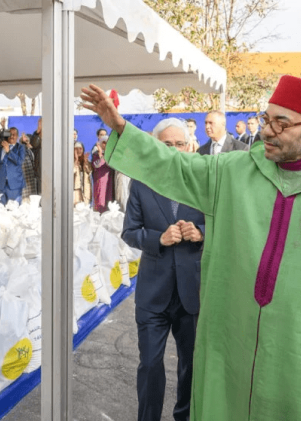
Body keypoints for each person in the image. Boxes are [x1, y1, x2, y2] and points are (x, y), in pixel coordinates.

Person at [81, 77, 301, 420]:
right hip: (232, 358)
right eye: (267, 119)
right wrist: (120, 126)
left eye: (282, 123)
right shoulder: (232, 172)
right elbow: (173, 166)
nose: (267, 131)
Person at [122, 118, 204, 421]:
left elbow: (223, 221)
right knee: (150, 365)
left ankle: (184, 416)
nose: (173, 149)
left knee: (191, 365)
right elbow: (129, 232)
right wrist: (159, 238)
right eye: (166, 144)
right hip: (153, 293)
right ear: (157, 146)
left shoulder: (200, 181)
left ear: (189, 146)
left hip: (191, 293)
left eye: (179, 144)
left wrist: (202, 232)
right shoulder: (142, 183)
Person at [0, 127, 26, 205]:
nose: (12, 136)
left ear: (17, 136)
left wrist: (9, 151)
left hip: (14, 185)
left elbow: (19, 162)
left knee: (14, 211)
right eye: (10, 134)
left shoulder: (20, 147)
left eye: (14, 135)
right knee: (0, 210)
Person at [92, 132, 115, 213]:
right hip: (100, 179)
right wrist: (100, 154)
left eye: (107, 142)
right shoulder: (96, 154)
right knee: (100, 199)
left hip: (110, 180)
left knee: (109, 200)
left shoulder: (111, 154)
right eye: (104, 142)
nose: (105, 144)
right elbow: (96, 165)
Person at [20, 133, 38, 204]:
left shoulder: (30, 151)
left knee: (32, 198)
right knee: (25, 200)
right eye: (25, 142)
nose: (27, 142)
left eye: (28, 141)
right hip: (24, 178)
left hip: (31, 178)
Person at [73, 141, 92, 206]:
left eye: (80, 148)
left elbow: (89, 171)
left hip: (86, 190)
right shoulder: (70, 161)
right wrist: (75, 161)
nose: (79, 151)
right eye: (76, 149)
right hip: (76, 190)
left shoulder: (86, 161)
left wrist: (86, 162)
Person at [29, 118, 42, 195]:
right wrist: (38, 132)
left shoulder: (53, 134)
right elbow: (34, 144)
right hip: (39, 168)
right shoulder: (36, 135)